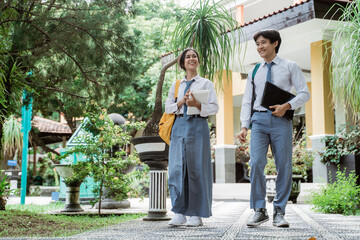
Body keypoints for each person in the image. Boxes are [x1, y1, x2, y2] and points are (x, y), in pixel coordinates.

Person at [236, 30, 310, 228]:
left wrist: (286, 106)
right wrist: (244, 125)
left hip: (281, 121)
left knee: (284, 165)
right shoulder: (255, 71)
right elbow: (247, 100)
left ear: (275, 43)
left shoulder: (290, 66)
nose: (260, 47)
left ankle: (279, 211)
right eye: (258, 44)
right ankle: (259, 210)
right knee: (257, 162)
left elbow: (304, 93)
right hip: (259, 120)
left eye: (264, 43)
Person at [164, 48, 219, 227]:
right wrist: (181, 102)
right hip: (179, 126)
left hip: (198, 125)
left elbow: (214, 108)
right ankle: (179, 212)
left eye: (194, 56)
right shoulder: (177, 85)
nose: (191, 59)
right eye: (188, 57)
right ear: (182, 63)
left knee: (196, 169)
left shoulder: (206, 83)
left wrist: (197, 104)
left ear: (198, 61)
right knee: (177, 169)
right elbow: (168, 108)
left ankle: (196, 213)